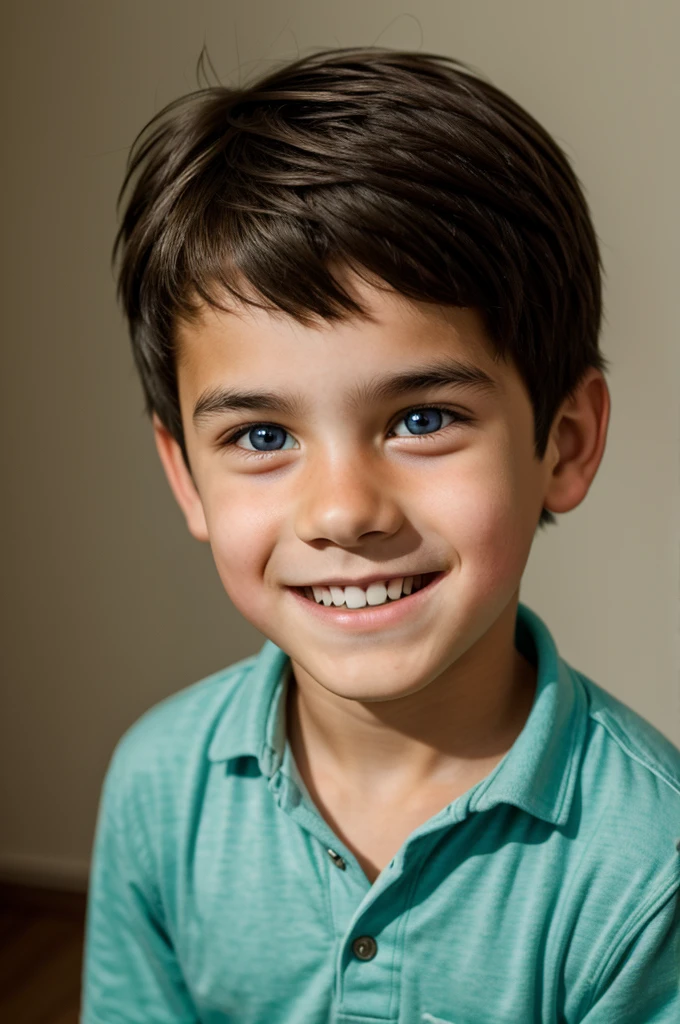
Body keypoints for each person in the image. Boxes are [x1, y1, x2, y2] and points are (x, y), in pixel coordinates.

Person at [81, 46, 680, 1024]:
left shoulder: (646, 857)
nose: (343, 510)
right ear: (185, 477)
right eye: (261, 436)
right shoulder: (157, 786)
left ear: (561, 444)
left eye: (420, 419)